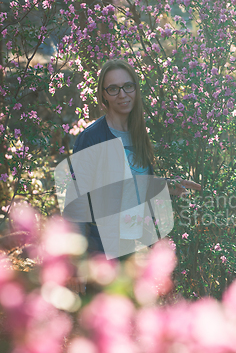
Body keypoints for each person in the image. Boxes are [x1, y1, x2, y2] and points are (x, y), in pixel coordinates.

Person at [64, 58, 201, 269]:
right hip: (100, 255)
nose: (122, 94)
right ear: (103, 95)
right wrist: (75, 264)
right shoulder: (91, 139)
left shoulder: (138, 134)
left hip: (134, 253)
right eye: (113, 89)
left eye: (128, 86)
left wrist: (167, 185)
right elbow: (76, 205)